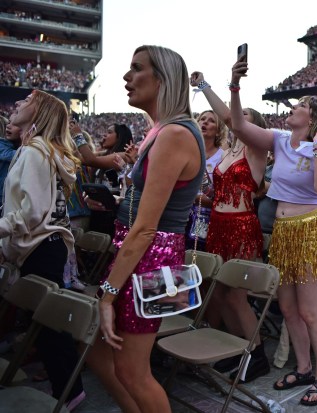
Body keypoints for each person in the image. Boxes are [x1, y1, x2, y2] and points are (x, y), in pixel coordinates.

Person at [86, 45, 205, 413]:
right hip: (144, 253)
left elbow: (145, 229)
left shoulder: (175, 134)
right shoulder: (161, 130)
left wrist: (107, 295)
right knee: (98, 353)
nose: (126, 77)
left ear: (163, 79)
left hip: (153, 256)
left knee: (132, 369)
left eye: (136, 69)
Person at [229, 59, 317, 406]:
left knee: (308, 310)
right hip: (283, 231)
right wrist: (233, 86)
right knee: (288, 308)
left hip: (310, 230)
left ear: (313, 119)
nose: (292, 108)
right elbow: (238, 124)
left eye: (301, 106)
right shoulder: (278, 139)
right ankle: (304, 367)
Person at [0, 91, 84, 410]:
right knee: (47, 328)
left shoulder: (35, 152)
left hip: (41, 247)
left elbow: (32, 213)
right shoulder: (37, 150)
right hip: (44, 247)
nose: (17, 104)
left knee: (50, 329)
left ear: (40, 113)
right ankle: (68, 390)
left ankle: (69, 392)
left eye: (25, 102)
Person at [189, 70, 269, 383]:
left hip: (241, 225)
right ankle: (239, 351)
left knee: (236, 297)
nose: (237, 119)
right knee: (219, 295)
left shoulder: (255, 149)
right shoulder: (228, 151)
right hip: (219, 225)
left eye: (245, 116)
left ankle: (256, 355)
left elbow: (228, 116)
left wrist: (216, 86)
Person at [185, 109, 226, 250]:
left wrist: (192, 197)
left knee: (199, 256)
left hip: (207, 217)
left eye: (211, 120)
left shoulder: (224, 157)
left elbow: (219, 197)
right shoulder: (186, 151)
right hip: (182, 214)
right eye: (202, 119)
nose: (205, 122)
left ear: (219, 131)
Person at [0, 115, 19, 201]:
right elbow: (9, 155)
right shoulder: (1, 144)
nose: (8, 126)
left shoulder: (11, 144)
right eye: (8, 123)